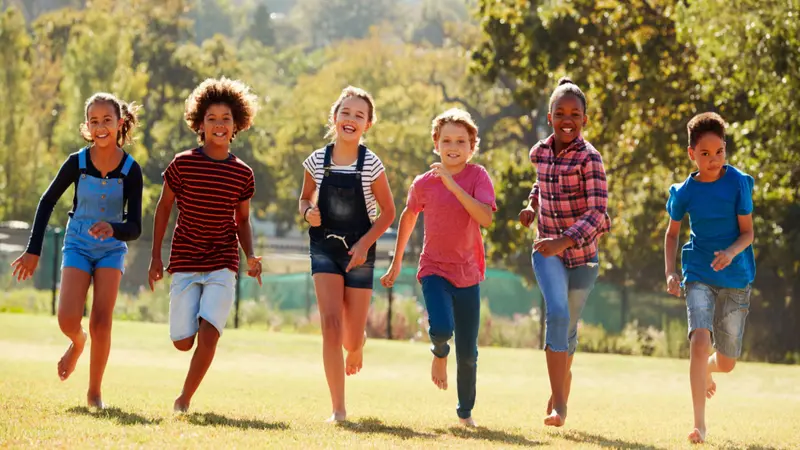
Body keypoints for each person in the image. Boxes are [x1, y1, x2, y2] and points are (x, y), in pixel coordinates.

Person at [12, 92, 142, 409]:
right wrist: (33, 250)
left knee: (102, 322)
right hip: (78, 244)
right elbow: (46, 202)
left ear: (119, 123)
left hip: (111, 248)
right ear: (86, 127)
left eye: (107, 121)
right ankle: (77, 341)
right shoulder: (77, 163)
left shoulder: (131, 170)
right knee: (68, 320)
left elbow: (135, 226)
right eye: (94, 121)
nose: (101, 127)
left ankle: (94, 392)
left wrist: (115, 228)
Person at [148, 77, 263, 413]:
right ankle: (198, 319)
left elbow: (242, 220)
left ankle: (184, 399)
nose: (218, 125)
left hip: (222, 262)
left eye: (225, 118)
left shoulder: (243, 174)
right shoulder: (182, 163)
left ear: (237, 124)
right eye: (211, 118)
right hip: (184, 260)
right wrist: (156, 256)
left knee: (210, 333)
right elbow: (164, 207)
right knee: (183, 342)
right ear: (199, 123)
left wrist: (250, 255)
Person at [381, 108, 496, 427]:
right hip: (433, 270)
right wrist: (396, 262)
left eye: (461, 140)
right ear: (436, 143)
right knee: (443, 328)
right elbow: (408, 216)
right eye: (447, 140)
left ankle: (464, 413)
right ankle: (439, 350)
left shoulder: (478, 177)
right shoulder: (423, 183)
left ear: (472, 146)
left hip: (468, 273)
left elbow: (486, 217)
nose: (453, 146)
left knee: (469, 353)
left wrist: (453, 184)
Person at [298, 86, 396, 422]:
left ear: (367, 124)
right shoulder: (315, 160)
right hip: (324, 248)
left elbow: (388, 213)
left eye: (359, 115)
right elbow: (304, 199)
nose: (351, 119)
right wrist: (307, 211)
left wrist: (365, 245)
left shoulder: (371, 164)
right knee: (330, 325)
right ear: (334, 118)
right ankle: (338, 409)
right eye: (346, 113)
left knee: (350, 337)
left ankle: (358, 342)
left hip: (360, 250)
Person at [518, 77, 611, 428]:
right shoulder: (539, 152)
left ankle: (559, 389)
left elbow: (596, 213)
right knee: (556, 314)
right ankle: (560, 405)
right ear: (550, 116)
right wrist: (531, 205)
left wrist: (564, 241)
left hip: (584, 256)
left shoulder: (591, 159)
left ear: (584, 119)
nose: (567, 119)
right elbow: (541, 184)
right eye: (560, 113)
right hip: (546, 251)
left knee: (569, 328)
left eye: (575, 113)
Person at [664, 112, 755, 444]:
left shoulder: (737, 183)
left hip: (736, 274)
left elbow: (748, 233)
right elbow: (672, 234)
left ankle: (708, 371)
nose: (714, 159)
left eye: (719, 152)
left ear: (725, 149)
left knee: (727, 363)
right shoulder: (684, 191)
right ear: (691, 153)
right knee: (699, 342)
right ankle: (699, 425)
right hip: (698, 271)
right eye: (705, 153)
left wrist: (730, 252)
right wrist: (671, 271)